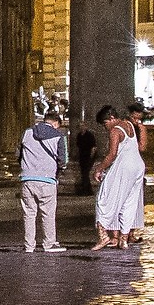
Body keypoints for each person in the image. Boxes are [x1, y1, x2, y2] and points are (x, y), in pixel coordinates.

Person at [91, 106, 147, 248]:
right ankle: (123, 239)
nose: (105, 128)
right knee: (129, 202)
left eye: (105, 124)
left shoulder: (115, 131)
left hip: (123, 167)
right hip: (138, 167)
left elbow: (112, 154)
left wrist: (99, 168)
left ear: (111, 118)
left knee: (103, 199)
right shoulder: (130, 126)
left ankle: (103, 236)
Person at [18, 106, 67, 253]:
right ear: (56, 123)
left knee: (29, 214)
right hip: (47, 180)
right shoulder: (59, 136)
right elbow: (63, 161)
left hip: (27, 178)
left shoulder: (26, 133)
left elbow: (18, 154)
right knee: (48, 213)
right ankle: (49, 243)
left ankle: (29, 245)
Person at [75, 121, 98, 195]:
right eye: (80, 126)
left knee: (85, 173)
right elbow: (78, 146)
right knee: (84, 173)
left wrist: (91, 157)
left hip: (88, 156)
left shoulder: (89, 135)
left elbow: (93, 147)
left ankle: (87, 190)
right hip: (82, 156)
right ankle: (87, 189)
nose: (81, 128)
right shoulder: (79, 135)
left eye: (82, 126)